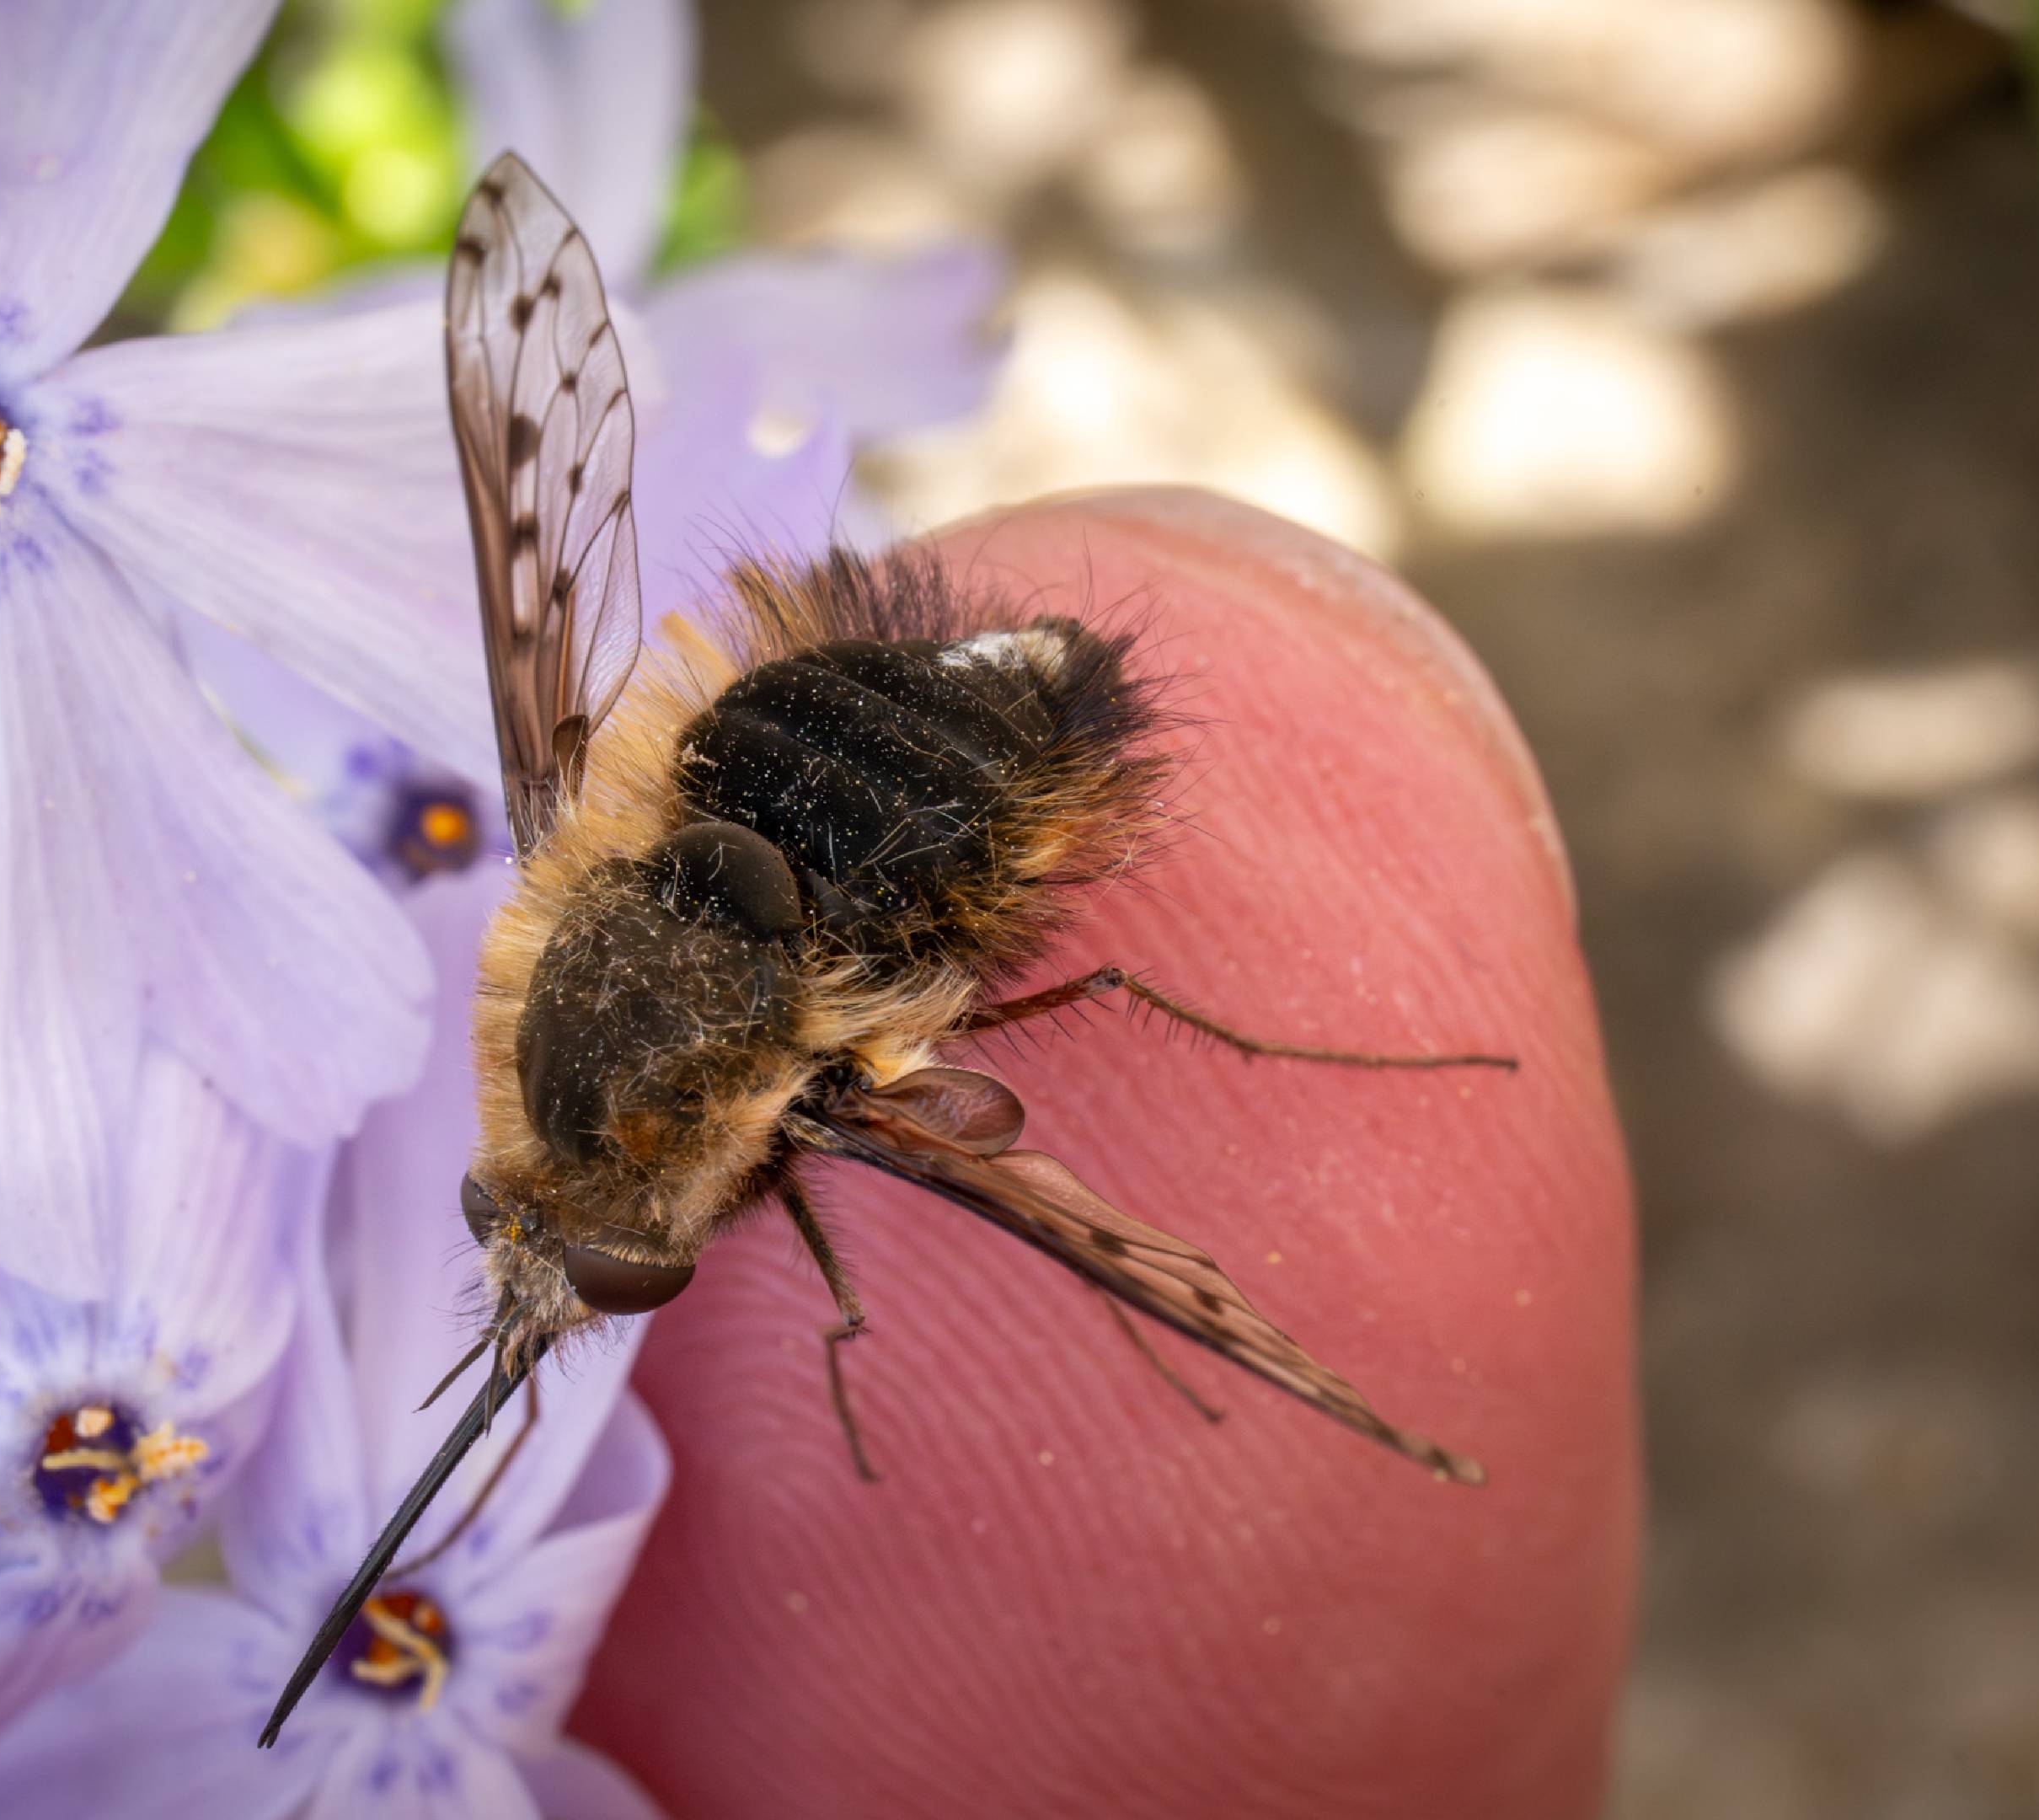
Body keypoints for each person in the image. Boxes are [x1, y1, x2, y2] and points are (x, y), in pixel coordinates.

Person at [571, 490, 1637, 1819]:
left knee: (1082, 1015)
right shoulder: (587, 967)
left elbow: (985, 1181)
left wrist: (873, 1320)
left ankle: (1281, 1065)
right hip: (802, 722)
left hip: (949, 792)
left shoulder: (770, 1101)